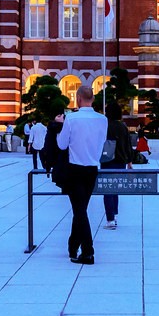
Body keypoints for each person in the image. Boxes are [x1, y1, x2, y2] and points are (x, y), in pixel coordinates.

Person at [57, 85, 108, 265]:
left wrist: (60, 126)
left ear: (78, 98)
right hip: (92, 168)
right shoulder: (103, 120)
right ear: (92, 99)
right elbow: (102, 142)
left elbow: (62, 145)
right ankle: (73, 245)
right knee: (81, 210)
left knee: (79, 210)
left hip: (75, 168)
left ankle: (88, 252)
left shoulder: (71, 119)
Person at [102, 102, 132, 229]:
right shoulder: (122, 126)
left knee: (107, 189)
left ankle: (110, 219)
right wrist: (129, 161)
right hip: (120, 161)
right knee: (115, 188)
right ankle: (115, 214)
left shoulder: (104, 126)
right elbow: (128, 145)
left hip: (107, 160)